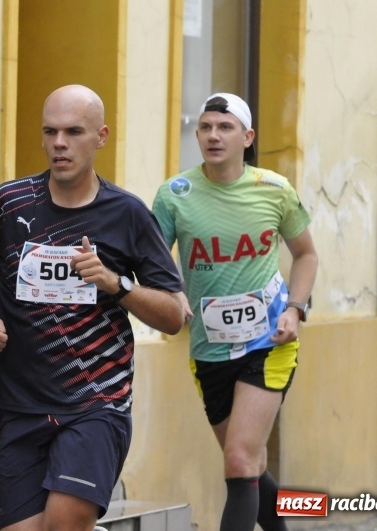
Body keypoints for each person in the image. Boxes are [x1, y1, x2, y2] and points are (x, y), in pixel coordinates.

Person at [0, 84, 186, 531]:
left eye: (74, 131)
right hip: (20, 401)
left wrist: (116, 284)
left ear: (101, 136)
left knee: (64, 522)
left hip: (96, 402)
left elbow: (174, 314)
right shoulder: (9, 203)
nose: (60, 143)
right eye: (51, 131)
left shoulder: (128, 214)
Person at [152, 93, 319, 531]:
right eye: (205, 127)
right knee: (248, 464)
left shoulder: (274, 189)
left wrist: (295, 310)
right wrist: (173, 290)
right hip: (208, 347)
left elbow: (306, 256)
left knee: (239, 459)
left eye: (224, 128)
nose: (212, 135)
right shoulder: (174, 195)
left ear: (247, 137)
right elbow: (151, 258)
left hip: (270, 342)